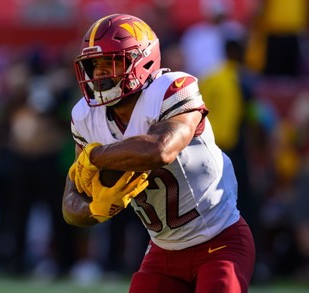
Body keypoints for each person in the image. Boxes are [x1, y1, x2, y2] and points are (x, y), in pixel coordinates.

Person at [62, 14, 256, 292]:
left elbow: (160, 149)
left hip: (220, 239)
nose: (100, 74)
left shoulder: (172, 89)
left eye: (110, 63)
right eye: (94, 66)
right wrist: (93, 209)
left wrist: (94, 157)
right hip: (162, 251)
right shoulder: (85, 116)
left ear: (142, 61)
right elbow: (70, 202)